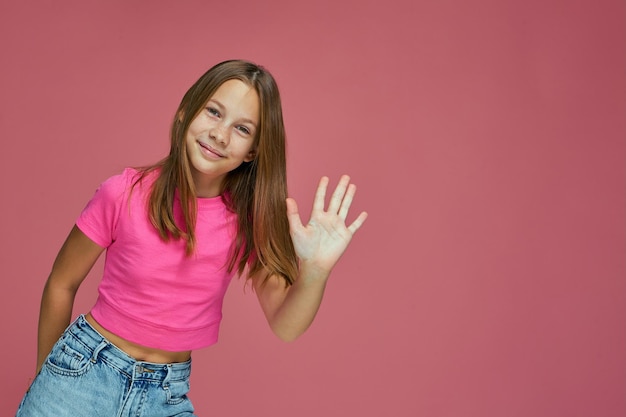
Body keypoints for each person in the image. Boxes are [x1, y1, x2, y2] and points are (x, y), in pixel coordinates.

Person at [15, 59, 367, 417]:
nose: (220, 134)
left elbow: (285, 325)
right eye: (213, 112)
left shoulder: (248, 224)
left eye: (242, 129)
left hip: (165, 393)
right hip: (82, 372)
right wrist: (50, 375)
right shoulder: (122, 193)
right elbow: (62, 282)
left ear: (254, 152)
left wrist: (316, 272)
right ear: (186, 111)